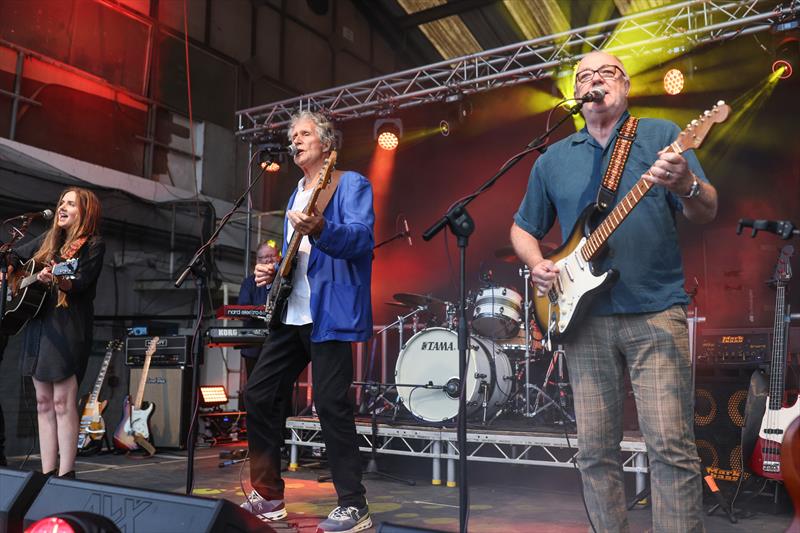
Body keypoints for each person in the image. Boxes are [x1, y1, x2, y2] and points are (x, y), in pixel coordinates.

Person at [510, 51, 718, 532]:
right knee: (595, 452)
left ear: (624, 87)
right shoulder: (553, 158)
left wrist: (686, 183)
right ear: (577, 95)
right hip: (583, 321)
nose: (594, 80)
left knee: (670, 446)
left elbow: (706, 208)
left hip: (655, 310)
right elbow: (522, 230)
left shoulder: (663, 135)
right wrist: (539, 263)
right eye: (584, 76)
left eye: (605, 73)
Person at [241, 111, 374, 533]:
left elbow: (360, 238)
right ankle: (269, 495)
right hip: (291, 313)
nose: (295, 141)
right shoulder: (295, 193)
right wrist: (272, 270)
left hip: (328, 314)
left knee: (333, 406)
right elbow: (298, 257)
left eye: (303, 134)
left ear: (325, 142)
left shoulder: (348, 183)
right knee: (260, 394)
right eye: (291, 135)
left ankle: (354, 506)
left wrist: (322, 227)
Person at [8, 188, 105, 478]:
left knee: (63, 401)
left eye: (71, 204)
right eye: (62, 202)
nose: (62, 208)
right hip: (40, 324)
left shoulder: (93, 244)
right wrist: (10, 269)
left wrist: (61, 280)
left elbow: (83, 282)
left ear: (84, 213)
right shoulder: (50, 239)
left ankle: (66, 473)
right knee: (42, 402)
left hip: (67, 327)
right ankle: (47, 471)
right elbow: (14, 252)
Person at [237, 240, 280, 378]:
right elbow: (243, 309)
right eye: (264, 257)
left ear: (279, 257)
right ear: (257, 260)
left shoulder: (285, 280)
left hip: (279, 344)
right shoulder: (249, 282)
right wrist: (264, 311)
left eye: (272, 256)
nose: (268, 259)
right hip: (254, 347)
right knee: (254, 387)